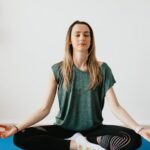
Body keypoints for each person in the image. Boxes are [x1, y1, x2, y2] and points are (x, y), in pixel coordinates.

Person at [0, 20, 150, 150]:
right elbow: (44, 109)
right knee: (20, 136)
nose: (82, 38)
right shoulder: (57, 70)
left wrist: (139, 128)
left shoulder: (103, 69)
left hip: (94, 129)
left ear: (91, 40)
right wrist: (16, 127)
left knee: (133, 139)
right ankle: (75, 145)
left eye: (86, 34)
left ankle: (89, 141)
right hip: (63, 128)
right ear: (70, 40)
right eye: (77, 34)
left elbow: (115, 107)